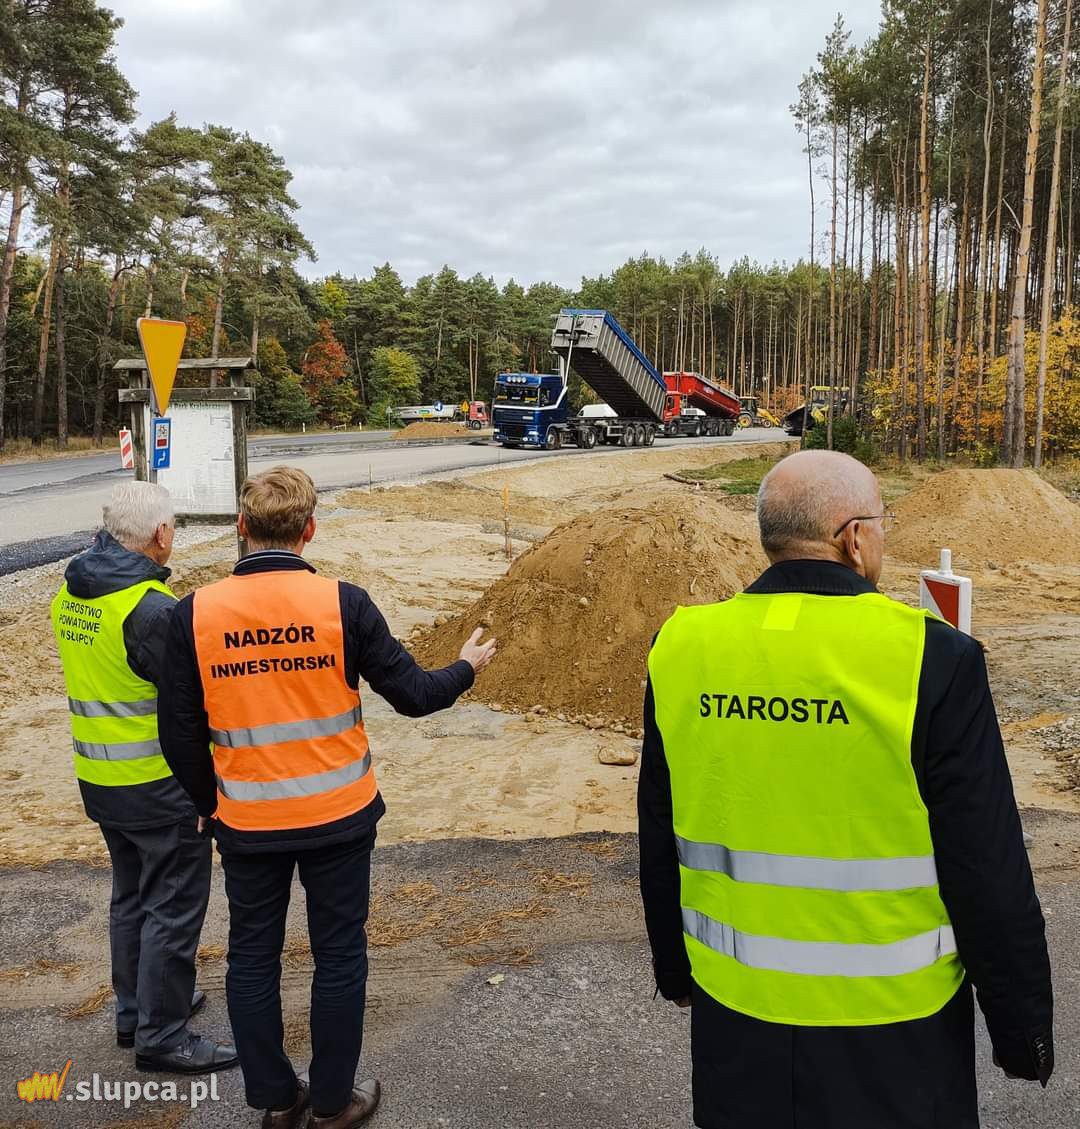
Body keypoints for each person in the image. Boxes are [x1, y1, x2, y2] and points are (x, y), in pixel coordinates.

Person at [638, 449, 1053, 1129]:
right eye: (882, 524)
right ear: (854, 537)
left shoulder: (682, 645)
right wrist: (1022, 1030)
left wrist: (676, 972)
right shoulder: (932, 657)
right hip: (895, 1035)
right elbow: (986, 866)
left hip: (737, 1021)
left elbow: (661, 826)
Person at [159, 466, 497, 1129]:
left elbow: (177, 732)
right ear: (310, 529)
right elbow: (416, 695)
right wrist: (466, 666)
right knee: (339, 954)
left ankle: (277, 1099)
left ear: (241, 527)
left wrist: (209, 800)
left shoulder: (194, 614)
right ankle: (335, 1103)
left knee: (251, 957)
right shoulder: (344, 604)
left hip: (248, 821)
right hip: (338, 817)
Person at [50, 481, 237, 1074]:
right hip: (159, 786)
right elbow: (194, 702)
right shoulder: (152, 611)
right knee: (173, 907)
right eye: (173, 528)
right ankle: (163, 1035)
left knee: (131, 897)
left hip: (101, 780)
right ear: (160, 535)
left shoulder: (74, 595)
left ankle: (136, 1010)